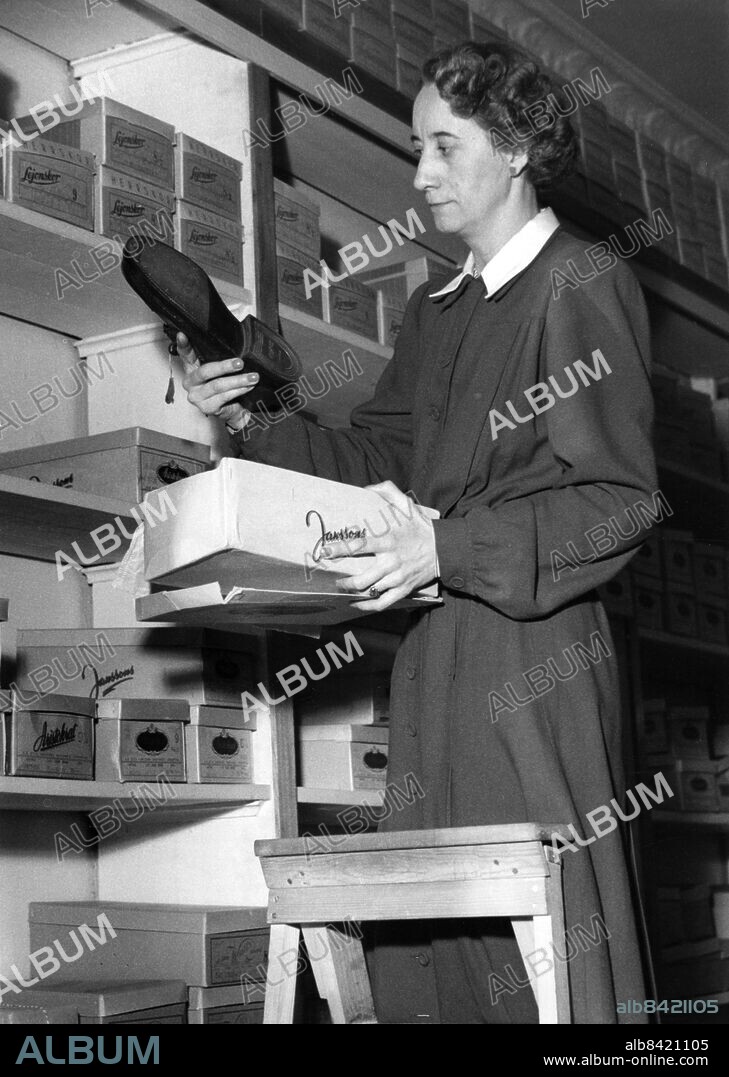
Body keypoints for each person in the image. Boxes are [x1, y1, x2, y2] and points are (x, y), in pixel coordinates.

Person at [181, 41, 656, 1024]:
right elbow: (375, 467)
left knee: (545, 966)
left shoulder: (580, 282)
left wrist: (445, 549)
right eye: (416, 149)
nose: (421, 175)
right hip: (436, 659)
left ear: (518, 146)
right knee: (437, 956)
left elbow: (618, 499)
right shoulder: (438, 313)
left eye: (445, 146)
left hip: (537, 655)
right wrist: (254, 416)